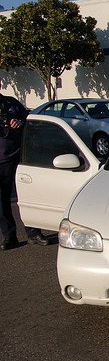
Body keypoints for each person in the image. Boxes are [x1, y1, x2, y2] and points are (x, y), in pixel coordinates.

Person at [0, 90, 48, 250]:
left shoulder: (11, 103)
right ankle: (9, 236)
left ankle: (34, 233)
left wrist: (19, 122)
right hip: (1, 162)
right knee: (2, 202)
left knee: (27, 196)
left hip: (19, 157)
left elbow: (28, 118)